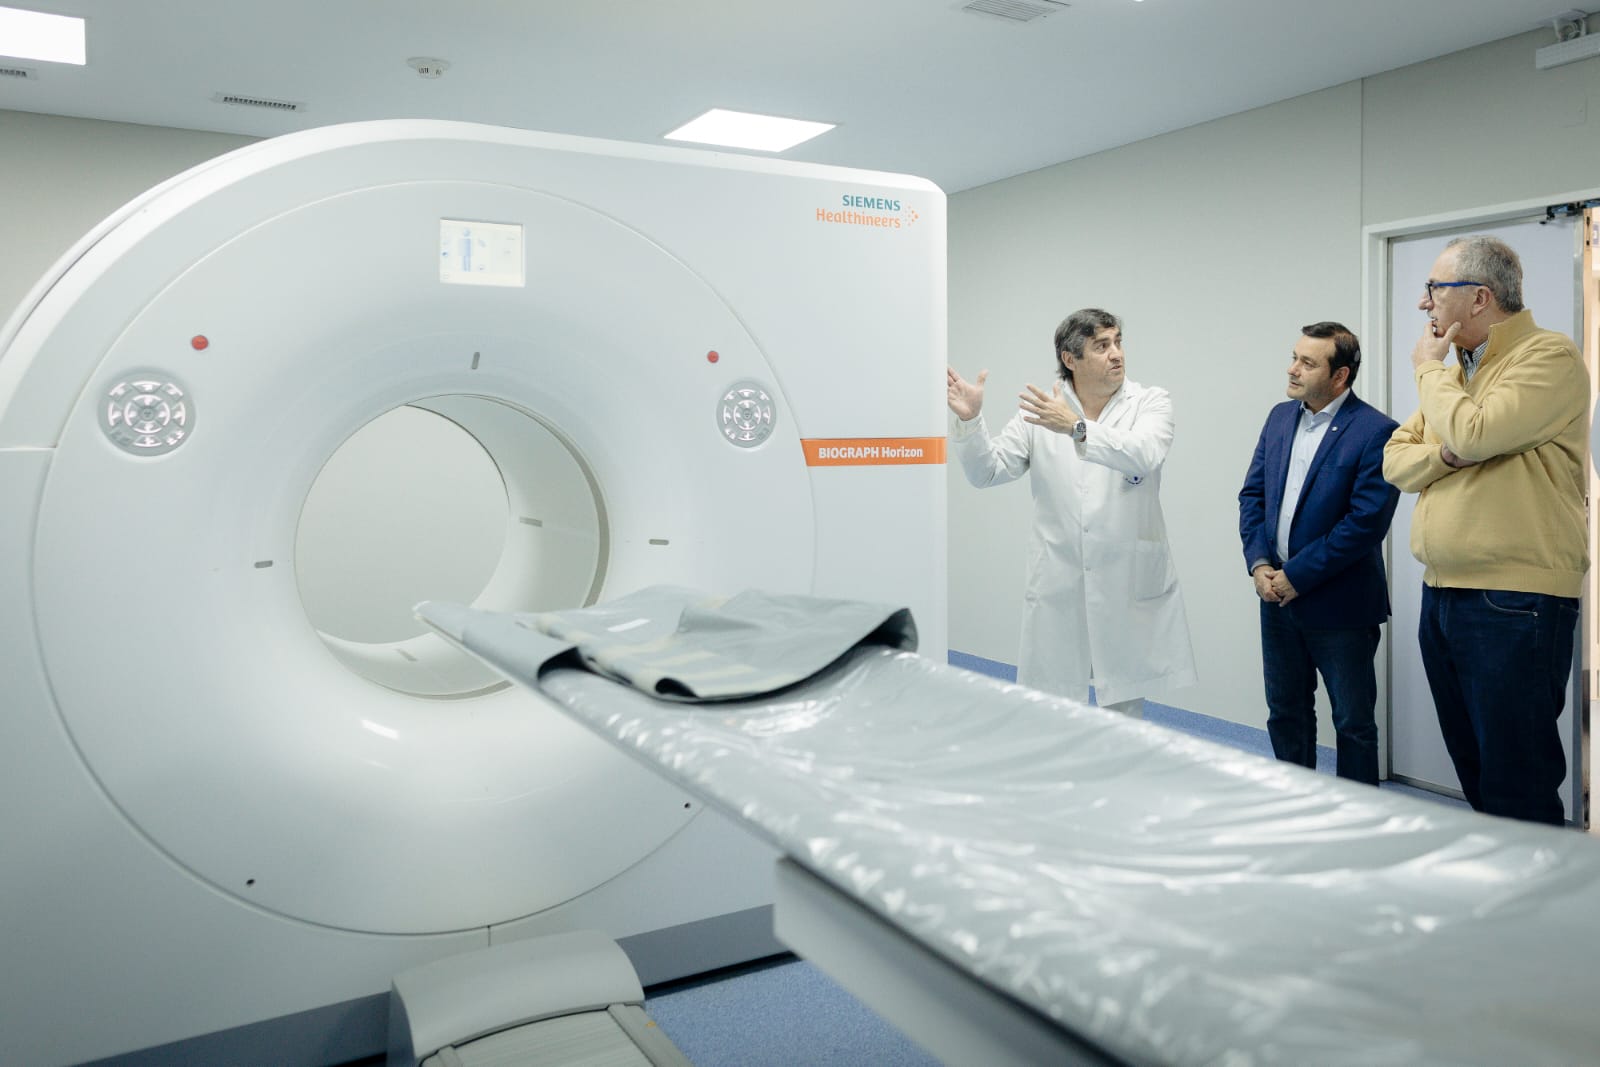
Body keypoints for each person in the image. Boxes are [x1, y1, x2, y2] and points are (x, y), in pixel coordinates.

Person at [1382, 235, 1588, 826]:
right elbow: (1395, 460)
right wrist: (1447, 456)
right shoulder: (1462, 375)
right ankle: (1500, 876)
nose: (1424, 304)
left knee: (1516, 778)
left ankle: (1538, 886)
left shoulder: (1548, 357)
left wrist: (1429, 371)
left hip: (1514, 600)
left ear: (1479, 297)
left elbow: (1475, 432)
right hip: (1443, 593)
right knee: (1473, 765)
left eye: (1433, 289)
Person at [946, 308, 1196, 718]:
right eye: (1102, 346)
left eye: (1118, 342)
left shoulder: (1150, 402)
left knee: (1122, 708)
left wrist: (1077, 429)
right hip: (1059, 579)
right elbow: (987, 472)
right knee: (1053, 707)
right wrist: (971, 422)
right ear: (1070, 358)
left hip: (1125, 578)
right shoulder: (1041, 413)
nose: (1116, 354)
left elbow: (1145, 454)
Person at [1237, 322, 1399, 784]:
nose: (1292, 369)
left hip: (1340, 604)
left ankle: (1358, 815)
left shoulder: (1376, 431)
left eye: (1307, 363)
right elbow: (1252, 496)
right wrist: (1260, 564)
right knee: (1285, 711)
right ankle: (1297, 805)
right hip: (1276, 598)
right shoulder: (1279, 417)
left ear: (1340, 375)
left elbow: (1365, 523)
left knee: (1352, 722)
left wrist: (1298, 575)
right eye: (1294, 357)